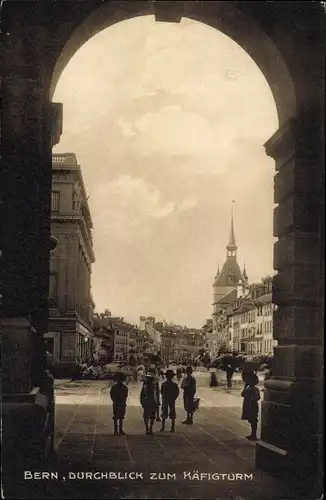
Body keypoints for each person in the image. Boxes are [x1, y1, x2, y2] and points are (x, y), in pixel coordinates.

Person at [241, 370, 261, 441]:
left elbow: (257, 397)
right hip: (248, 405)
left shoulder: (254, 388)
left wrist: (251, 397)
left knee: (253, 420)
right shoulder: (247, 386)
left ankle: (254, 434)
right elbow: (242, 394)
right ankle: (253, 434)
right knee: (251, 420)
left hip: (252, 406)